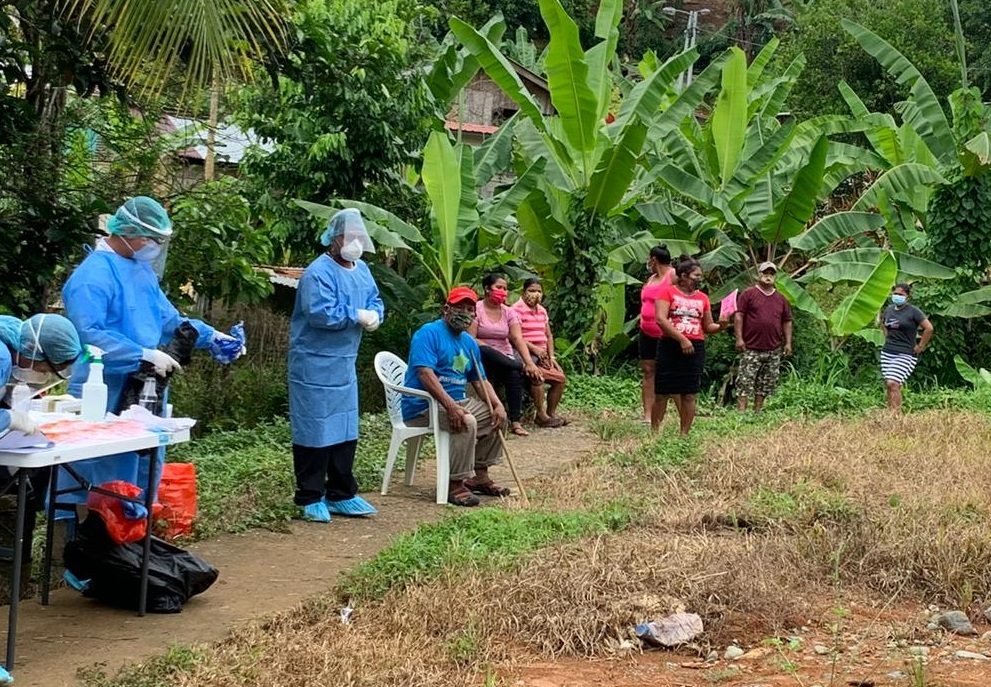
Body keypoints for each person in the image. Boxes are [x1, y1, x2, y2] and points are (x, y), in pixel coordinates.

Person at [61, 196, 243, 511]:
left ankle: (134, 550)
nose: (155, 246)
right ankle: (87, 555)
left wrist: (212, 337)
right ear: (129, 232)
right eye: (152, 238)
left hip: (144, 388)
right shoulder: (91, 277)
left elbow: (169, 321)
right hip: (102, 389)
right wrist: (141, 354)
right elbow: (88, 335)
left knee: (141, 472)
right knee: (100, 481)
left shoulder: (140, 271)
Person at [289, 208, 384, 523]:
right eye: (348, 236)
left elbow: (375, 300)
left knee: (345, 429)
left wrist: (374, 314)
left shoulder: (363, 271)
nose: (354, 242)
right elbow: (319, 312)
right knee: (315, 431)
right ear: (334, 238)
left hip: (344, 366)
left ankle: (342, 493)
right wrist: (355, 315)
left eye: (359, 236)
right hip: (313, 366)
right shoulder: (318, 273)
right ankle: (309, 496)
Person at [402, 287, 509, 507]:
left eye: (470, 309)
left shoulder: (469, 343)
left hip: (459, 402)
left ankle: (479, 475)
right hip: (423, 404)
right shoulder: (428, 333)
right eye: (460, 307)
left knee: (496, 416)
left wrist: (497, 404)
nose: (466, 313)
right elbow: (424, 373)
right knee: (465, 420)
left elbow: (480, 380)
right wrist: (450, 406)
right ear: (446, 309)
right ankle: (454, 483)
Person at [653, 256, 729, 436]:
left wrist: (722, 326)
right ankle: (654, 433)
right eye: (696, 275)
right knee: (662, 392)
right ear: (684, 276)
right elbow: (661, 319)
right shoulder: (667, 293)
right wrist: (681, 339)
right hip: (670, 344)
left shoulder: (703, 298)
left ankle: (684, 434)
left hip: (695, 346)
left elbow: (708, 326)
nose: (699, 279)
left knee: (689, 393)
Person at [469, 273, 543, 437]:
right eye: (499, 288)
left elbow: (517, 338)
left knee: (513, 373)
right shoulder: (476, 309)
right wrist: (523, 363)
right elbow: (472, 339)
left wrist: (529, 362)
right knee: (489, 352)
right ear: (488, 289)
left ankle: (515, 421)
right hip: (483, 353)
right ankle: (518, 365)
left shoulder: (509, 312)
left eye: (505, 288)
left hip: (505, 356)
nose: (503, 291)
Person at [734, 262, 793, 413]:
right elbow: (739, 316)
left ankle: (757, 411)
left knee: (766, 382)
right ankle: (741, 413)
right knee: (745, 381)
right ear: (759, 275)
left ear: (775, 277)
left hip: (773, 348)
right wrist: (739, 338)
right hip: (751, 347)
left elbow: (787, 321)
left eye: (771, 274)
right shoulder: (748, 294)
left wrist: (788, 343)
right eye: (765, 273)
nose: (768, 276)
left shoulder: (781, 299)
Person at [510, 278, 567, 428]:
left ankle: (551, 413)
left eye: (539, 291)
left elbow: (548, 335)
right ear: (523, 292)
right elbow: (515, 336)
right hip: (525, 354)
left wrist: (552, 356)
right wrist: (533, 348)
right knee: (537, 377)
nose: (536, 294)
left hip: (543, 356)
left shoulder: (542, 310)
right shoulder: (515, 310)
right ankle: (540, 415)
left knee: (560, 379)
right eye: (532, 290)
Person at [880, 283, 933, 411]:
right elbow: (883, 324)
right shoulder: (889, 310)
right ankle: (891, 413)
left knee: (892, 382)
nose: (897, 296)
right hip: (888, 352)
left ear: (907, 297)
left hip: (905, 353)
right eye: (895, 294)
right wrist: (887, 338)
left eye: (901, 294)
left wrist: (921, 346)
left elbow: (929, 328)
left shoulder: (913, 311)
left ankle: (896, 415)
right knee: (891, 385)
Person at [639, 245, 674, 423]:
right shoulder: (652, 278)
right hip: (646, 331)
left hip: (665, 333)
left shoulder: (672, 275)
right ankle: (647, 414)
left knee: (666, 372)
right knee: (648, 371)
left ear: (654, 259)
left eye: (649, 259)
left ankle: (662, 412)